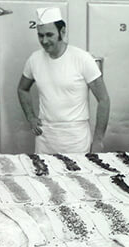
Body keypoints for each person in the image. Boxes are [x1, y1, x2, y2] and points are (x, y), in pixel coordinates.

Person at [17, 7, 110, 154]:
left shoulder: (82, 58)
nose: (44, 40)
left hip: (76, 138)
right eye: (40, 35)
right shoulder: (34, 59)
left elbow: (104, 100)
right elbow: (22, 88)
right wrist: (31, 117)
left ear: (62, 32)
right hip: (45, 137)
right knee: (43, 175)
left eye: (49, 35)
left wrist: (98, 140)